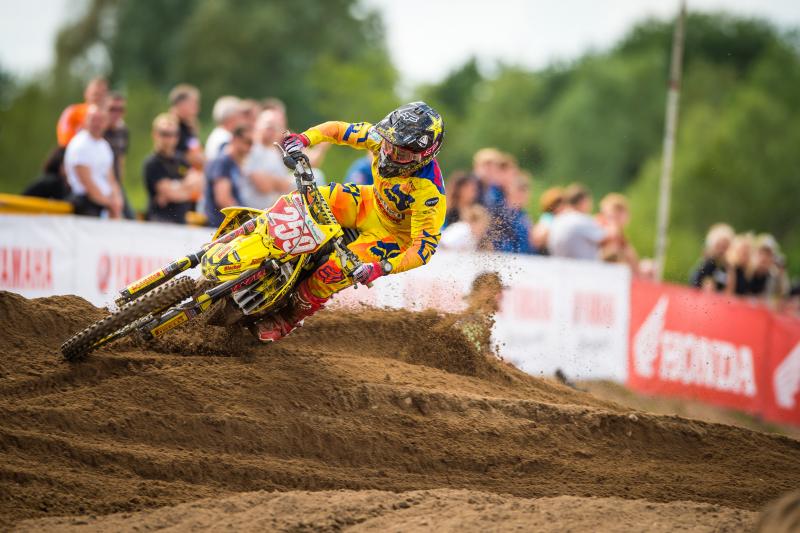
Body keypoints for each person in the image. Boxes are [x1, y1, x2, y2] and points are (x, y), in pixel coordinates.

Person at [252, 101, 446, 342]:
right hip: (369, 202)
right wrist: (303, 139)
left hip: (392, 237)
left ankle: (286, 320)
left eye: (401, 154)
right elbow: (338, 129)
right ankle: (251, 230)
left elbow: (423, 249)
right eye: (389, 146)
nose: (388, 154)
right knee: (303, 199)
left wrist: (381, 268)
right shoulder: (382, 136)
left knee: (331, 272)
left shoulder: (429, 192)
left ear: (424, 156)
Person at [64, 104, 122, 217]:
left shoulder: (104, 146)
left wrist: (117, 199)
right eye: (93, 119)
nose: (97, 124)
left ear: (106, 123)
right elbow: (87, 184)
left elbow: (111, 178)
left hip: (104, 201)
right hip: (85, 201)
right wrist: (110, 204)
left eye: (100, 120)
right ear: (86, 121)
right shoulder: (80, 145)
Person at [143, 113, 203, 224]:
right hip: (160, 221)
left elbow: (198, 184)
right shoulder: (152, 163)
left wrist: (175, 187)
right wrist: (185, 187)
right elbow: (170, 193)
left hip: (182, 219)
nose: (170, 138)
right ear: (155, 134)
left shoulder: (181, 159)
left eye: (173, 134)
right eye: (164, 134)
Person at [241, 109, 294, 209]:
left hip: (272, 210)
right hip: (251, 210)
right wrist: (277, 183)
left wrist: (272, 181)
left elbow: (286, 186)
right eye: (269, 126)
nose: (273, 130)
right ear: (258, 125)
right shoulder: (250, 149)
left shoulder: (276, 152)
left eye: (276, 127)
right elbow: (263, 186)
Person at [548, 183, 613, 260]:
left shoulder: (557, 220)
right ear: (583, 201)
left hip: (559, 264)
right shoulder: (582, 219)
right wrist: (611, 220)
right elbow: (609, 238)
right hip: (583, 266)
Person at [204, 125, 253, 228]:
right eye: (248, 142)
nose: (250, 148)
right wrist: (247, 220)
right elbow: (223, 199)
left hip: (228, 227)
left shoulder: (233, 164)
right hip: (218, 228)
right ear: (235, 139)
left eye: (252, 144)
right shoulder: (222, 162)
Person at [454, 271, 506, 357]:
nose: (499, 294)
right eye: (494, 289)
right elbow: (471, 355)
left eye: (499, 289)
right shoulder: (473, 320)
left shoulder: (478, 319)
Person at [103, 92, 134, 219]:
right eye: (112, 109)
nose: (116, 113)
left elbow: (121, 160)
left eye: (120, 109)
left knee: (130, 218)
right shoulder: (98, 130)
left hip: (115, 184)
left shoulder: (123, 131)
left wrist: (118, 185)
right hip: (99, 183)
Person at [491, 171, 537, 254]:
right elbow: (497, 244)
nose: (525, 196)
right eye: (521, 191)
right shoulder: (499, 214)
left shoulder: (524, 216)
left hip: (527, 259)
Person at [56, 77, 108, 147]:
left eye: (101, 95)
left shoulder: (110, 117)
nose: (98, 98)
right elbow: (64, 140)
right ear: (86, 93)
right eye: (95, 94)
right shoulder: (72, 112)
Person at [596, 193, 639, 273]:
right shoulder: (606, 225)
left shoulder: (617, 232)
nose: (628, 217)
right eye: (626, 213)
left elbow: (631, 253)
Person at [689, 223, 734, 292]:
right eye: (720, 245)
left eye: (725, 246)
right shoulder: (708, 262)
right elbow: (694, 280)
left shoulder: (727, 266)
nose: (722, 250)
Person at [169, 84, 204, 169]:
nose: (197, 108)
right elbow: (170, 155)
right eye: (193, 104)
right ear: (181, 104)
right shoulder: (171, 127)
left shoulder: (189, 126)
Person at [205, 96, 243, 160]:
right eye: (239, 115)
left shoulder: (220, 134)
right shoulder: (223, 137)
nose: (242, 119)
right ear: (232, 117)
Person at [532, 186, 564, 254]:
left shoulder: (554, 217)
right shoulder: (548, 217)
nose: (563, 207)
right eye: (560, 204)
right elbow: (538, 238)